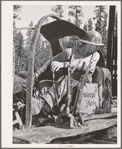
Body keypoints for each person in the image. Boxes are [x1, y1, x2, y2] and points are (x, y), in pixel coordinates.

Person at [32, 30, 104, 116]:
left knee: (65, 80)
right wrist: (37, 73)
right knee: (46, 84)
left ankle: (41, 104)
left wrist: (64, 64)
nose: (98, 48)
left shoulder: (95, 55)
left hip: (84, 88)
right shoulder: (69, 52)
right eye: (96, 46)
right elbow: (51, 61)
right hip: (68, 88)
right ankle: (43, 107)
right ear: (89, 44)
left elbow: (84, 65)